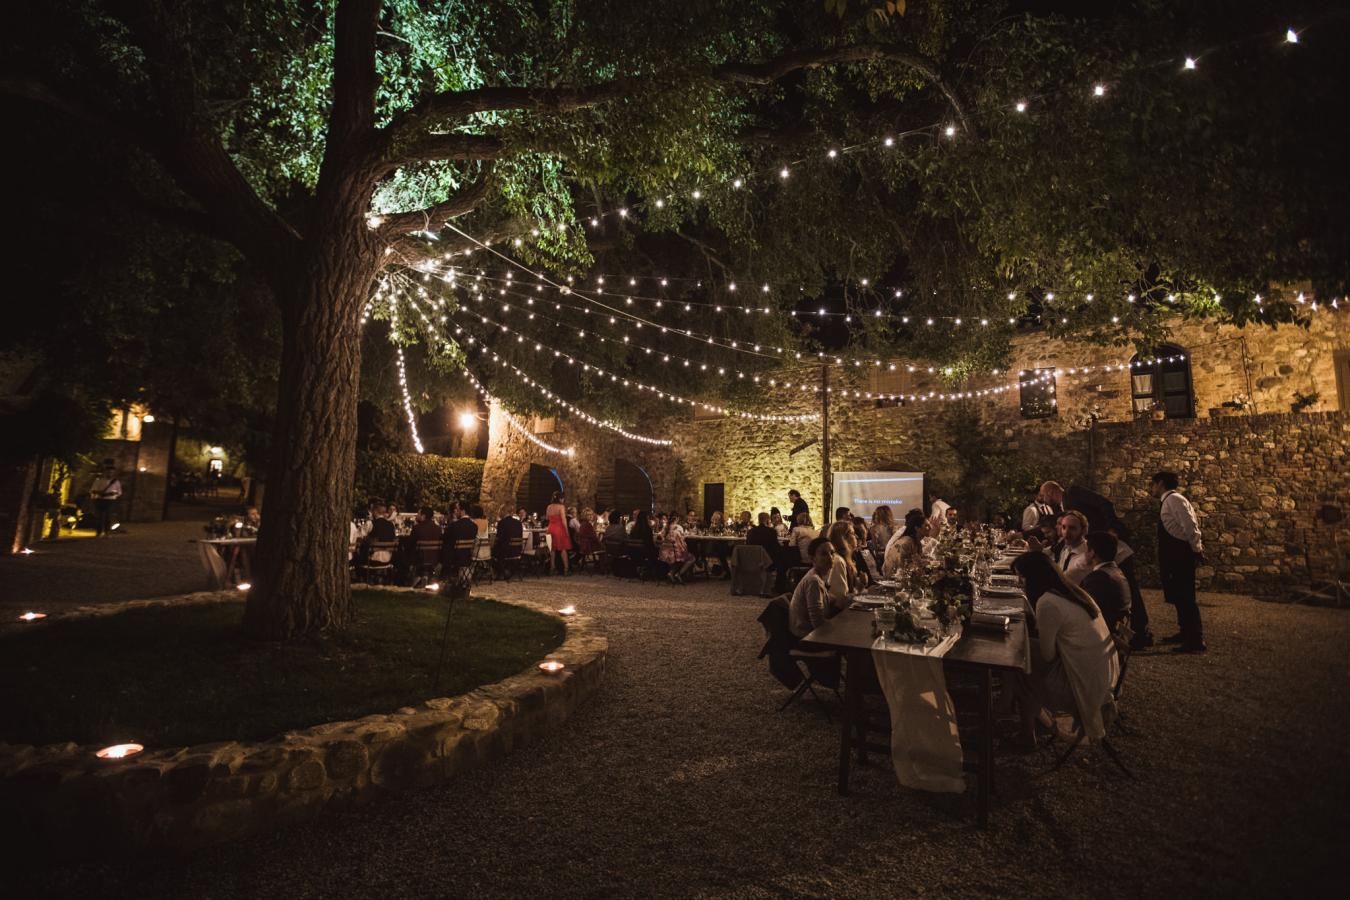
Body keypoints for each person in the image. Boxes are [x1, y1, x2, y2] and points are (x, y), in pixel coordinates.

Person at [1011, 550, 1120, 741]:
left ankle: (1029, 730)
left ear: (1034, 577)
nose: (1020, 583)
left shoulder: (1048, 603)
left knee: (1018, 662)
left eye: (1022, 577)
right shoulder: (1073, 592)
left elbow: (1047, 656)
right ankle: (1020, 716)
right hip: (1100, 678)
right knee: (1021, 653)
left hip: (1080, 686)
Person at [1152, 471, 1206, 653]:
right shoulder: (1170, 501)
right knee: (1178, 594)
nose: (1152, 488)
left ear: (1160, 483)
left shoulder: (1174, 500)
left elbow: (1190, 526)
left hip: (1179, 554)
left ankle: (1195, 639)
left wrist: (1197, 549)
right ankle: (1185, 632)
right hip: (1174, 553)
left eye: (1153, 484)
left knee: (1186, 596)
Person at [789, 538, 850, 638]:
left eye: (832, 553)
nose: (830, 558)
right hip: (806, 637)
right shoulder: (813, 581)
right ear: (813, 558)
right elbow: (818, 624)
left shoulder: (818, 576)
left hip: (810, 633)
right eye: (824, 554)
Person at [1080, 531, 1132, 633]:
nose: (1084, 554)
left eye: (1086, 550)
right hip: (1116, 631)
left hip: (1103, 634)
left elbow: (1088, 611)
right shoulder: (1116, 572)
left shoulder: (1098, 577)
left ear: (1092, 553)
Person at [1046, 511, 1092, 584]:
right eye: (1064, 527)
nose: (1066, 533)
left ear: (1083, 530)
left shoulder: (1088, 554)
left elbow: (1063, 581)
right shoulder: (1066, 549)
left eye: (1072, 528)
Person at [882, 509, 928, 577]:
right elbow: (900, 568)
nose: (930, 528)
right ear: (917, 528)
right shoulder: (906, 542)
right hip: (893, 579)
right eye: (926, 526)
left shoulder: (917, 542)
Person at [826, 520, 864, 598]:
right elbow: (840, 598)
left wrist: (860, 587)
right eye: (853, 533)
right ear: (842, 538)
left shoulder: (846, 559)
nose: (856, 536)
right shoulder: (838, 561)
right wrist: (859, 591)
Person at [441, 502, 478, 574]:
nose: (455, 512)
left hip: (454, 558)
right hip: (467, 557)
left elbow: (444, 538)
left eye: (457, 510)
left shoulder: (455, 525)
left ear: (463, 511)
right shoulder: (474, 526)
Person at [658, 515, 697, 583]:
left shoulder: (665, 528)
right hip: (675, 553)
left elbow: (660, 537)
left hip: (664, 554)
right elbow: (682, 543)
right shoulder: (678, 528)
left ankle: (671, 573)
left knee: (678, 559)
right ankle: (679, 574)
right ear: (677, 519)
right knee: (691, 558)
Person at [544, 491, 573, 576]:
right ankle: (566, 569)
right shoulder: (561, 507)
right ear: (560, 498)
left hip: (550, 529)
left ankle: (552, 568)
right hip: (559, 529)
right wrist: (567, 532)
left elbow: (547, 518)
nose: (563, 500)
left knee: (552, 550)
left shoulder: (549, 506)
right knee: (563, 549)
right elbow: (564, 520)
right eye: (563, 498)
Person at [90, 463, 123, 537]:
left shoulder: (116, 482)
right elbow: (93, 490)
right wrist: (100, 493)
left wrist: (113, 494)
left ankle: (107, 532)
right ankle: (99, 532)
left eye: (111, 472)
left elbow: (119, 492)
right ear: (105, 472)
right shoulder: (99, 480)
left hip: (110, 501)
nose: (110, 473)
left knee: (108, 516)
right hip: (100, 500)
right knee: (99, 516)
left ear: (113, 473)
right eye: (108, 472)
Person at [492, 506, 524, 573]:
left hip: (506, 551)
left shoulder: (501, 523)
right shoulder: (518, 523)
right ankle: (507, 570)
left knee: (493, 551)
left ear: (504, 512)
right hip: (517, 550)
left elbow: (499, 538)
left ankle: (500, 572)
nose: (500, 513)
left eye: (500, 511)